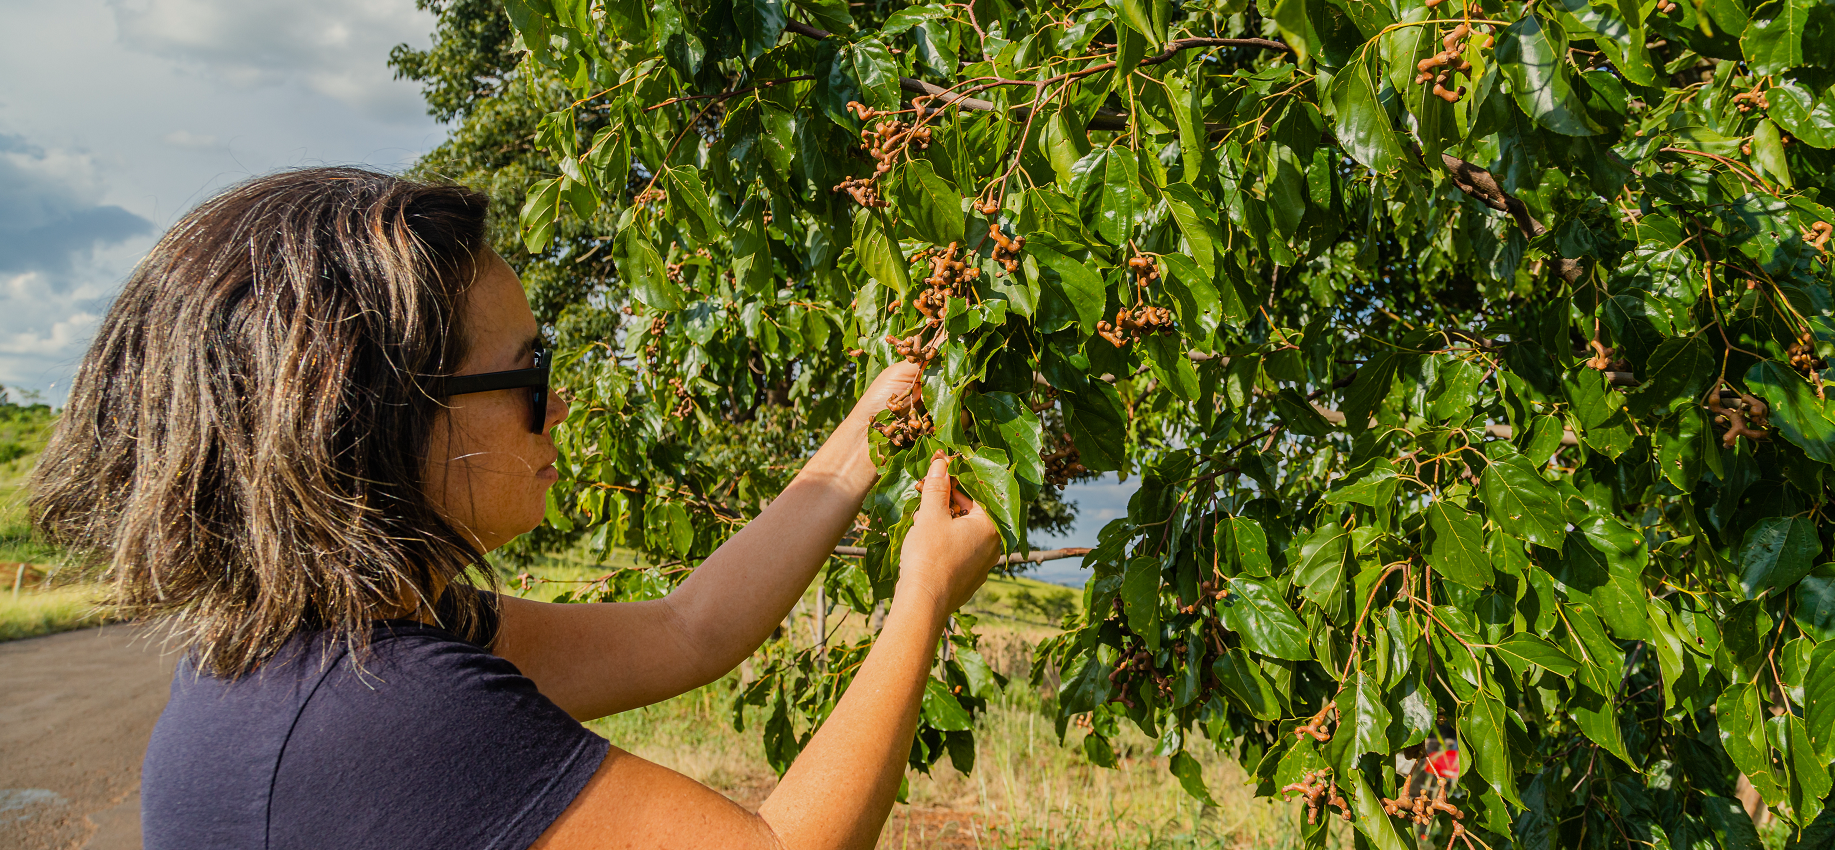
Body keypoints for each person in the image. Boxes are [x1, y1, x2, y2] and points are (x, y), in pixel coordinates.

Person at [29, 167, 1001, 850]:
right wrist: (920, 598)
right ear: (381, 413)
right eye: (532, 371)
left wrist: (869, 427)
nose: (563, 402)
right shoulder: (376, 708)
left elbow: (686, 629)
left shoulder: (322, 648)